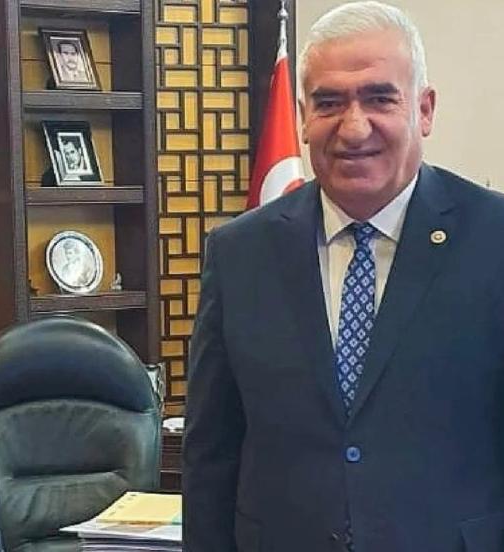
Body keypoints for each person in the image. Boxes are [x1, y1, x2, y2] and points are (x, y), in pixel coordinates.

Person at [183, 2, 504, 551]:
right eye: (329, 102)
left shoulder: (492, 238)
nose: (354, 128)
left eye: (380, 98)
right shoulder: (239, 254)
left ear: (424, 109)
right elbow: (212, 451)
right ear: (303, 117)